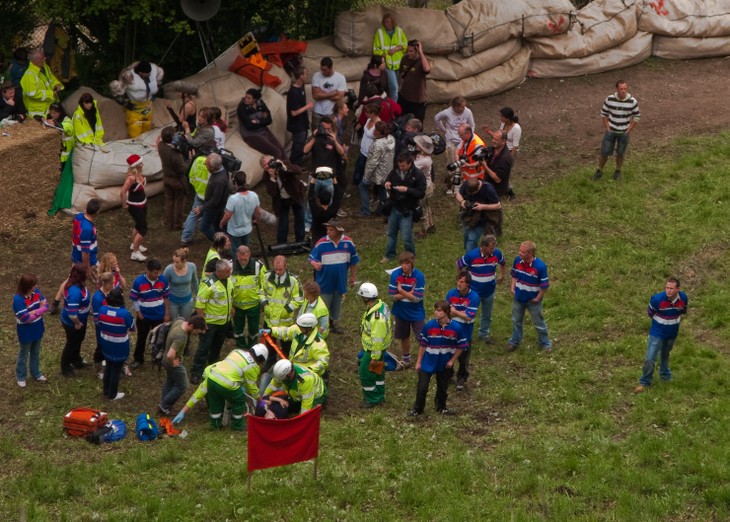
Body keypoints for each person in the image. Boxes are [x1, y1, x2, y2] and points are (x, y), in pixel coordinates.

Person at [174, 344, 269, 430]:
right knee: (239, 401)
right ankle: (237, 426)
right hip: (228, 385)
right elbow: (252, 387)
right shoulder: (253, 366)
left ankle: (215, 426)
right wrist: (260, 401)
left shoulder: (235, 353)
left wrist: (183, 411)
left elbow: (198, 394)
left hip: (213, 382)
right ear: (261, 359)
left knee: (215, 403)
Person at [408, 300, 466, 417]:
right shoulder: (429, 326)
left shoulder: (456, 328)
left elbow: (461, 346)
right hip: (428, 361)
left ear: (447, 312)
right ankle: (418, 409)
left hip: (444, 363)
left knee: (443, 387)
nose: (436, 313)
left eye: (439, 311)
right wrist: (419, 362)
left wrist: (452, 360)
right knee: (422, 387)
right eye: (435, 310)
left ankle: (441, 407)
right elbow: (423, 345)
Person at [635, 278, 688, 394]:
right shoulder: (657, 299)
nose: (668, 291)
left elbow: (683, 311)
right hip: (657, 332)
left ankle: (665, 375)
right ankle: (645, 381)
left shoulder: (683, 298)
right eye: (667, 288)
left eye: (671, 288)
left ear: (677, 289)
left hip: (672, 333)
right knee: (650, 357)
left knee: (665, 354)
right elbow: (650, 313)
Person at [309, 220, 360, 334]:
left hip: (340, 282)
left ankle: (331, 324)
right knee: (323, 305)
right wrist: (314, 264)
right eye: (327, 229)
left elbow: (353, 260)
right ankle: (320, 327)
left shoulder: (348, 243)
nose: (328, 231)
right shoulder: (321, 243)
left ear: (338, 231)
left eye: (331, 229)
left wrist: (353, 276)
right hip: (324, 282)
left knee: (336, 304)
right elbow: (312, 257)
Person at [190, 259, 234, 384]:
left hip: (223, 323)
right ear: (219, 271)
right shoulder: (208, 284)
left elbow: (230, 295)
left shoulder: (228, 280)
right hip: (210, 324)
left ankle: (213, 369)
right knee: (204, 348)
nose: (230, 273)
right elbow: (200, 305)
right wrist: (203, 324)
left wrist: (232, 308)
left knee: (217, 347)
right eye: (227, 271)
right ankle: (196, 372)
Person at [457, 234, 506, 344]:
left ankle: (484, 334)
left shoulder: (497, 254)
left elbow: (503, 263)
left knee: (487, 315)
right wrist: (461, 281)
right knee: (469, 313)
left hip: (489, 290)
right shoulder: (472, 256)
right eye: (491, 247)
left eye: (494, 247)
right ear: (483, 247)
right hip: (474, 292)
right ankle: (464, 335)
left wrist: (502, 275)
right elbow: (459, 264)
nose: (493, 250)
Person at [507, 241, 552, 353]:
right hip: (519, 297)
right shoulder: (517, 261)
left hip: (533, 300)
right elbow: (514, 275)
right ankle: (515, 341)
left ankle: (545, 343)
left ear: (530, 253)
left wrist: (538, 298)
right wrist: (512, 287)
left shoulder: (540, 266)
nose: (519, 253)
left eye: (522, 251)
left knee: (538, 322)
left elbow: (544, 285)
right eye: (520, 250)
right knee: (516, 320)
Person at [158, 314, 207, 415]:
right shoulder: (181, 335)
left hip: (165, 361)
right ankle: (165, 405)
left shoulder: (179, 322)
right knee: (183, 385)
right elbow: (170, 354)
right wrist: (173, 363)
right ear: (192, 326)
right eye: (197, 331)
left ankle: (164, 406)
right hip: (172, 363)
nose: (196, 334)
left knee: (170, 382)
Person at [382, 152, 426, 263]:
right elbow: (389, 178)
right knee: (391, 233)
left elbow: (421, 193)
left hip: (408, 209)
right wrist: (387, 183)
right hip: (394, 207)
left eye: (403, 166)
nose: (401, 168)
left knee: (407, 237)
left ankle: (410, 256)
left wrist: (407, 190)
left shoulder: (418, 175)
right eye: (399, 165)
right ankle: (389, 255)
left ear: (410, 164)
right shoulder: (395, 171)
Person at [594, 80, 640, 181]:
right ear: (617, 89)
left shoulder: (632, 101)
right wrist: (607, 127)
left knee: (620, 153)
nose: (623, 91)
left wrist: (629, 129)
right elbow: (604, 113)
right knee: (604, 152)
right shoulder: (610, 99)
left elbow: (636, 116)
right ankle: (599, 170)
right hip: (611, 131)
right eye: (621, 89)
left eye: (625, 89)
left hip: (624, 133)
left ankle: (618, 171)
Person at [129, 258, 171, 368]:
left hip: (159, 315)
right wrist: (139, 313)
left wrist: (166, 314)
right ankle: (138, 359)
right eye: (155, 272)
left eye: (159, 272)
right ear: (148, 271)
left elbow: (166, 297)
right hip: (144, 316)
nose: (158, 275)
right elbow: (134, 299)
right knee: (141, 337)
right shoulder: (138, 282)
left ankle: (157, 357)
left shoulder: (163, 280)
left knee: (159, 338)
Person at [357, 282, 392, 408]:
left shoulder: (377, 318)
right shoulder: (381, 306)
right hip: (378, 349)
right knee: (378, 372)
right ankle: (379, 395)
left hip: (373, 350)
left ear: (365, 298)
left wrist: (374, 357)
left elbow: (377, 339)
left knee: (365, 373)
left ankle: (371, 399)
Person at [388, 251, 425, 368]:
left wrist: (402, 291)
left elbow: (417, 299)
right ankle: (406, 360)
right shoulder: (395, 274)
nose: (404, 266)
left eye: (407, 263)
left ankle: (424, 360)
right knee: (404, 336)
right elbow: (393, 297)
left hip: (416, 311)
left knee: (421, 337)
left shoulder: (419, 276)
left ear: (412, 263)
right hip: (401, 311)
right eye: (402, 263)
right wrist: (409, 293)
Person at [303, 116, 344, 220]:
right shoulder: (314, 138)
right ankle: (308, 223)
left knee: (329, 201)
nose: (326, 131)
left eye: (328, 129)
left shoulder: (332, 139)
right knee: (310, 201)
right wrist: (314, 136)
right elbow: (305, 150)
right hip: (315, 177)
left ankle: (328, 221)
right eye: (324, 128)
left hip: (329, 177)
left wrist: (334, 140)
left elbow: (341, 152)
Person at [264, 312, 330, 377]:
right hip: (295, 369)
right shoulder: (298, 329)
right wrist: (271, 331)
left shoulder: (318, 344)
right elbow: (285, 332)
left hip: (308, 375)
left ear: (308, 329)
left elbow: (323, 362)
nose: (298, 328)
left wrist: (309, 369)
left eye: (301, 327)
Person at [98, 289, 135, 401]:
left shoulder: (102, 310)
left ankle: (106, 390)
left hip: (106, 343)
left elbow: (99, 322)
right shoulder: (125, 314)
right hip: (119, 345)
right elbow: (132, 328)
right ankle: (112, 394)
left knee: (108, 366)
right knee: (116, 370)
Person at [13, 273, 49, 388]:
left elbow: (46, 306)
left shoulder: (36, 292)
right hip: (25, 330)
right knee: (24, 353)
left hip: (37, 327)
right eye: (33, 285)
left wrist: (35, 311)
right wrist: (40, 310)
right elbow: (25, 318)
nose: (36, 286)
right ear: (27, 286)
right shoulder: (18, 300)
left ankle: (36, 373)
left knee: (35, 352)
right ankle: (21, 376)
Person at [445, 273, 480, 390]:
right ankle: (448, 375)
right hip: (451, 331)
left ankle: (461, 378)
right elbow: (446, 312)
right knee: (448, 353)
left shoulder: (474, 297)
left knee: (463, 358)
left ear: (468, 284)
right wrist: (461, 313)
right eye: (458, 281)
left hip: (465, 332)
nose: (459, 284)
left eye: (462, 282)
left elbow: (469, 317)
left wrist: (454, 311)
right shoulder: (451, 293)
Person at [261, 155, 307, 244]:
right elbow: (272, 193)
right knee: (283, 223)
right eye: (265, 165)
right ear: (263, 167)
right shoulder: (266, 176)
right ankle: (282, 244)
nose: (269, 165)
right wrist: (272, 178)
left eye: (270, 162)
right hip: (281, 200)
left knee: (300, 218)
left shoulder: (282, 163)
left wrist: (284, 167)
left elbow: (298, 170)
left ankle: (300, 241)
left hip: (295, 195)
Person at [231, 245, 267, 349]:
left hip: (254, 305)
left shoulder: (258, 266)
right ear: (237, 255)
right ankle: (241, 348)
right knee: (238, 330)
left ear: (249, 255)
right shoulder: (230, 266)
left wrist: (263, 303)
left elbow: (264, 286)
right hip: (237, 306)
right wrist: (230, 305)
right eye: (240, 259)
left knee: (253, 330)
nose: (243, 261)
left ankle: (252, 348)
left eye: (245, 259)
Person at [59, 263, 91, 377]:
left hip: (81, 320)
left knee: (79, 340)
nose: (88, 273)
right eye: (86, 272)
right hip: (73, 322)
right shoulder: (75, 291)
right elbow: (72, 314)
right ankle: (65, 366)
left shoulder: (79, 284)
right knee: (71, 343)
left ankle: (76, 360)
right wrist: (77, 323)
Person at [237, 88, 287, 159]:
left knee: (282, 151)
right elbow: (249, 126)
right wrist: (263, 120)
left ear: (255, 99)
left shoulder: (260, 103)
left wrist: (257, 121)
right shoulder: (241, 107)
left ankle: (289, 169)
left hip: (263, 130)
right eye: (246, 97)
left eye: (249, 98)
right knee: (276, 152)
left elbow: (269, 120)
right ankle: (277, 169)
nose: (246, 99)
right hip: (251, 135)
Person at [456, 178, 503, 251]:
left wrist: (482, 206)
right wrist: (462, 201)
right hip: (468, 216)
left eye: (473, 193)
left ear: (478, 187)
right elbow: (459, 194)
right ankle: (472, 255)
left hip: (483, 218)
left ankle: (471, 259)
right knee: (467, 238)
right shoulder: (467, 184)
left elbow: (498, 205)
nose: (471, 195)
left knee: (471, 241)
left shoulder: (488, 189)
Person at [158, 126, 190, 231]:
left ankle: (167, 223)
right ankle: (177, 225)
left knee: (169, 201)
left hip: (166, 178)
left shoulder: (160, 146)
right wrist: (190, 159)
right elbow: (182, 169)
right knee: (179, 203)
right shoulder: (176, 154)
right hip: (177, 180)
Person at [220, 170, 260, 253]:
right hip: (247, 229)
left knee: (236, 250)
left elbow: (228, 215)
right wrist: (255, 219)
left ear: (235, 183)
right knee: (245, 249)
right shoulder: (253, 195)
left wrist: (222, 223)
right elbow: (257, 211)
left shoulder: (233, 199)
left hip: (235, 231)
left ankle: (237, 263)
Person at [362, 120, 395, 218]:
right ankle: (381, 210)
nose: (373, 131)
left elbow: (373, 162)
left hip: (379, 172)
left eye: (375, 129)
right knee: (382, 191)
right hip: (387, 170)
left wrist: (366, 176)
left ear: (379, 132)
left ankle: (367, 210)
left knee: (362, 187)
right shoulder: (391, 139)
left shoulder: (378, 145)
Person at [373, 13, 408, 102]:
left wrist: (397, 48)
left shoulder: (399, 31)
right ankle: (394, 109)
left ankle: (394, 105)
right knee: (394, 87)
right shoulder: (380, 32)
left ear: (393, 22)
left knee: (398, 87)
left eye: (388, 22)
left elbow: (406, 45)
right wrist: (384, 54)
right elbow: (375, 50)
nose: (386, 24)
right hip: (388, 64)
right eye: (385, 22)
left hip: (399, 64)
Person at [120, 154, 149, 262]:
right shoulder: (131, 178)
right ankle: (135, 252)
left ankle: (134, 244)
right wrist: (124, 205)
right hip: (134, 205)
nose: (143, 164)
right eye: (140, 163)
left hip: (142, 203)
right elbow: (122, 192)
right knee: (143, 228)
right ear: (136, 165)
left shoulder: (140, 174)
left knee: (138, 225)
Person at [21, 48, 63, 120]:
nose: (45, 59)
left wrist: (57, 85)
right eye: (42, 58)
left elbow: (51, 78)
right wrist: (51, 94)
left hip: (49, 107)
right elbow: (32, 93)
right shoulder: (29, 75)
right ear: (35, 61)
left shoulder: (45, 67)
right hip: (38, 113)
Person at [124, 60, 162, 138]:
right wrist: (126, 103)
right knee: (135, 132)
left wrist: (153, 96)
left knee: (146, 130)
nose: (149, 74)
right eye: (147, 73)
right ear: (141, 72)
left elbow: (154, 88)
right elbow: (121, 91)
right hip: (134, 109)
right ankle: (135, 147)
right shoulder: (130, 78)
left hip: (147, 107)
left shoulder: (149, 77)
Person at [180, 153, 211, 246]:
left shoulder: (197, 160)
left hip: (199, 193)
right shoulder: (212, 164)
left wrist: (196, 187)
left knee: (193, 214)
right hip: (210, 195)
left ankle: (185, 236)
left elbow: (191, 175)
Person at [197, 153, 229, 242]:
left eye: (206, 164)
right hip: (217, 207)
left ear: (213, 167)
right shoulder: (221, 170)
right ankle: (224, 241)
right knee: (217, 226)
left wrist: (202, 207)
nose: (205, 165)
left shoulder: (219, 181)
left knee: (204, 227)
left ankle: (221, 243)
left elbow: (215, 200)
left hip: (213, 209)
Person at [434, 96, 475, 165]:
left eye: (464, 106)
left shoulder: (467, 112)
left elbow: (471, 125)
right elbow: (436, 118)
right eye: (461, 107)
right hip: (451, 139)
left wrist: (470, 136)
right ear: (455, 107)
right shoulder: (447, 112)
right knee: (451, 158)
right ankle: (451, 172)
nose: (463, 108)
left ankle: (462, 171)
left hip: (463, 139)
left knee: (462, 157)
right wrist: (443, 129)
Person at [397, 40, 430, 123]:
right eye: (407, 50)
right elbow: (401, 73)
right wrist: (399, 87)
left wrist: (421, 52)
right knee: (400, 120)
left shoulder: (421, 61)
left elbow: (427, 69)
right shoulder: (404, 59)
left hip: (418, 99)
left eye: (411, 51)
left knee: (418, 123)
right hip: (404, 96)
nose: (408, 53)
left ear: (417, 51)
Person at [286, 66, 313, 166]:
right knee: (298, 146)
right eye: (305, 74)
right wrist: (307, 106)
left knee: (300, 144)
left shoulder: (302, 86)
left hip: (303, 122)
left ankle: (296, 165)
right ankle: (293, 166)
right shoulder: (293, 92)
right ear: (301, 76)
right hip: (297, 125)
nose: (307, 75)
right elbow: (293, 113)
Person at [311, 57, 346, 131]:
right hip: (317, 112)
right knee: (315, 134)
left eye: (325, 70)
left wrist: (321, 92)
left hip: (331, 112)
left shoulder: (340, 78)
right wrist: (332, 93)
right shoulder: (316, 76)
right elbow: (315, 95)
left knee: (329, 135)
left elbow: (339, 97)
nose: (322, 72)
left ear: (330, 68)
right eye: (321, 69)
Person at [163, 248, 199, 321]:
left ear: (184, 261)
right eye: (174, 261)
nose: (175, 264)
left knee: (185, 322)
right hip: (173, 301)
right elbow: (164, 286)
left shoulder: (192, 267)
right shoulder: (169, 269)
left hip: (187, 300)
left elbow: (195, 281)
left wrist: (199, 296)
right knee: (173, 323)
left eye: (177, 262)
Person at [353, 102, 381, 194]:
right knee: (359, 168)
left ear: (373, 114)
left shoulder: (378, 125)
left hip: (370, 152)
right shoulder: (368, 120)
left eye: (368, 112)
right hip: (363, 149)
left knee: (367, 170)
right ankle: (357, 184)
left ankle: (365, 186)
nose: (365, 113)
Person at [308, 175, 343, 245]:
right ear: (330, 199)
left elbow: (310, 197)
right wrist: (335, 182)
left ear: (318, 199)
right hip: (330, 240)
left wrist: (312, 182)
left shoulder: (315, 211)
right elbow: (337, 198)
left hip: (317, 241)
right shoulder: (333, 210)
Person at [412, 134, 435, 237]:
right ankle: (430, 225)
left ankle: (424, 230)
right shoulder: (423, 157)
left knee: (422, 208)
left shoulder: (424, 161)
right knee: (426, 206)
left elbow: (412, 167)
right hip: (427, 185)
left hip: (424, 186)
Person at [497, 106, 520, 199]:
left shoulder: (516, 128)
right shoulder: (503, 124)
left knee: (504, 173)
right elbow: (499, 136)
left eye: (502, 117)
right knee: (499, 171)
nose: (501, 118)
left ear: (508, 118)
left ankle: (510, 192)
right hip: (502, 151)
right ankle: (502, 191)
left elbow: (515, 146)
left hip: (510, 152)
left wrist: (509, 159)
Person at [483, 130, 513, 198]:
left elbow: (497, 179)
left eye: (496, 140)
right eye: (493, 138)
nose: (493, 141)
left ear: (503, 141)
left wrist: (485, 166)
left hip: (496, 191)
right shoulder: (493, 149)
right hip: (487, 185)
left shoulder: (505, 158)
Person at [44, 102, 73, 169]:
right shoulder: (49, 117)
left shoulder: (67, 120)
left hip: (65, 154)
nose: (52, 115)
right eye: (51, 112)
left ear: (60, 113)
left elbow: (67, 127)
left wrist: (55, 124)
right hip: (55, 151)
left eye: (55, 113)